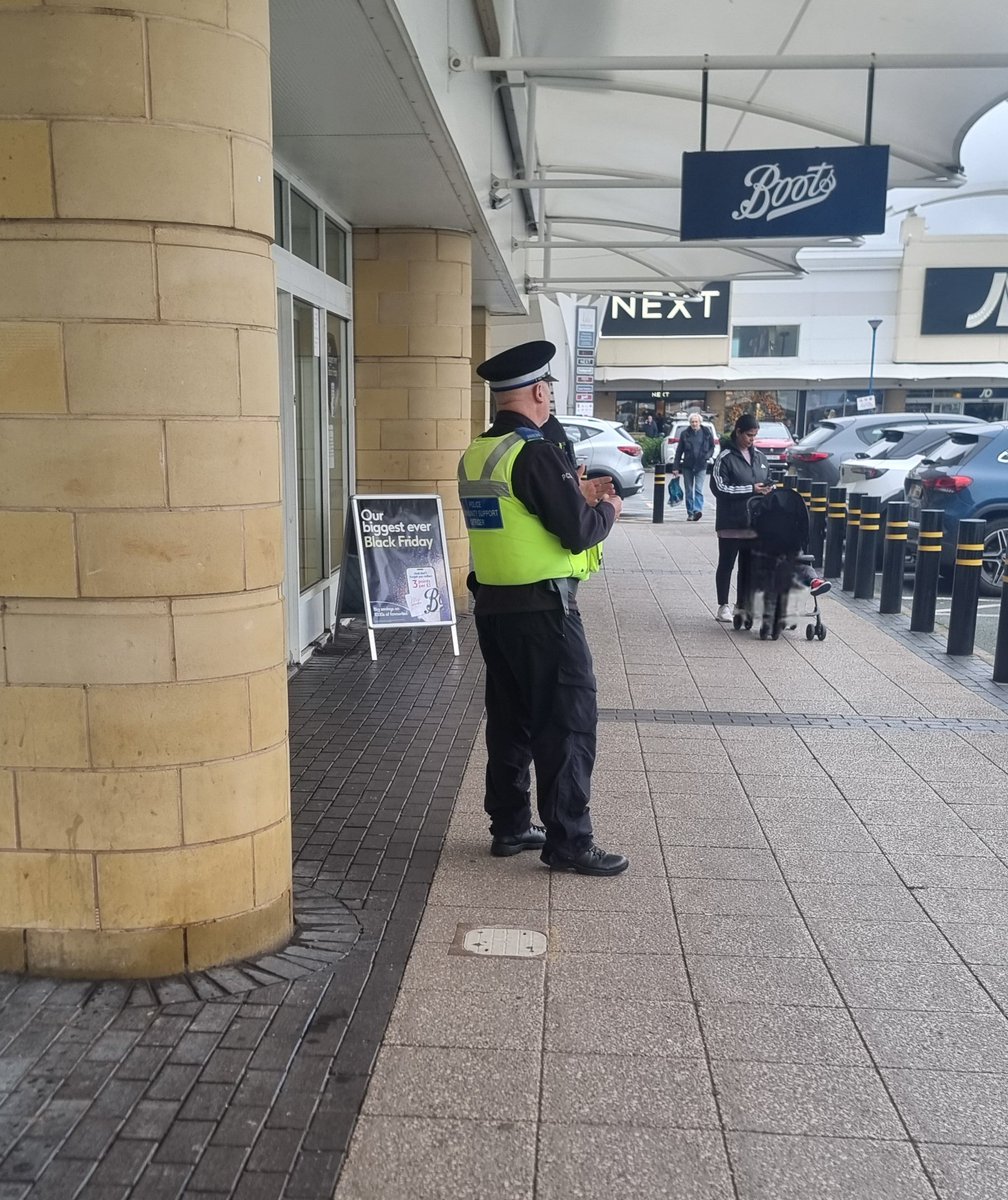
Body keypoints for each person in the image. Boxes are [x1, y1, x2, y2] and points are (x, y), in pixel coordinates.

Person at [458, 340, 629, 877]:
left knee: (510, 719)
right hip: (544, 611)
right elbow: (576, 533)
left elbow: (517, 516)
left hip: (494, 606)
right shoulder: (532, 452)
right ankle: (570, 842)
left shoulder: (477, 452)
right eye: (548, 389)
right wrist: (605, 507)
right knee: (567, 721)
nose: (549, 396)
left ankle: (509, 825)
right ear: (536, 391)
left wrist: (572, 488)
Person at [710, 413, 772, 622]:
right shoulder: (725, 457)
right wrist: (750, 489)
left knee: (748, 566)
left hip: (754, 523)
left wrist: (768, 489)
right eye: (748, 435)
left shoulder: (760, 458)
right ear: (738, 432)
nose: (751, 440)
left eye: (754, 436)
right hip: (731, 521)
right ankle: (723, 605)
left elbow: (767, 480)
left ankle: (742, 604)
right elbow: (719, 488)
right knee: (727, 563)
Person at [672, 413, 715, 521]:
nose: (694, 424)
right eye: (692, 422)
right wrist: (675, 467)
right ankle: (690, 512)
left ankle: (697, 510)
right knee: (689, 490)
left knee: (698, 489)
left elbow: (712, 447)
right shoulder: (684, 434)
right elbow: (679, 451)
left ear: (700, 422)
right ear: (690, 423)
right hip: (688, 466)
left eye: (696, 422)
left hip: (701, 465)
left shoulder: (706, 433)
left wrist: (707, 456)